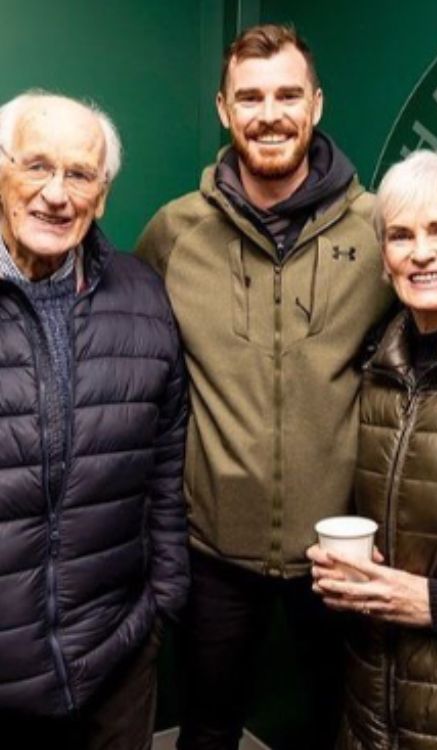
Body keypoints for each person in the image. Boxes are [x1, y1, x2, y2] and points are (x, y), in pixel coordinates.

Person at [136, 24, 391, 750]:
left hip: (340, 552)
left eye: (286, 94)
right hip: (213, 548)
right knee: (209, 727)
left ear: (315, 104)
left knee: (338, 727)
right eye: (249, 97)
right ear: (223, 109)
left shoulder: (378, 229)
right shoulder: (174, 232)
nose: (268, 113)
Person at [0, 90, 189, 750]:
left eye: (79, 174)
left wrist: (162, 599)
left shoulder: (143, 292)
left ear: (102, 196)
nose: (56, 194)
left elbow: (167, 462)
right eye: (35, 166)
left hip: (117, 656)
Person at [308, 149, 437, 749]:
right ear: (385, 260)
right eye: (400, 236)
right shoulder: (377, 371)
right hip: (372, 708)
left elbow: (428, 596)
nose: (421, 253)